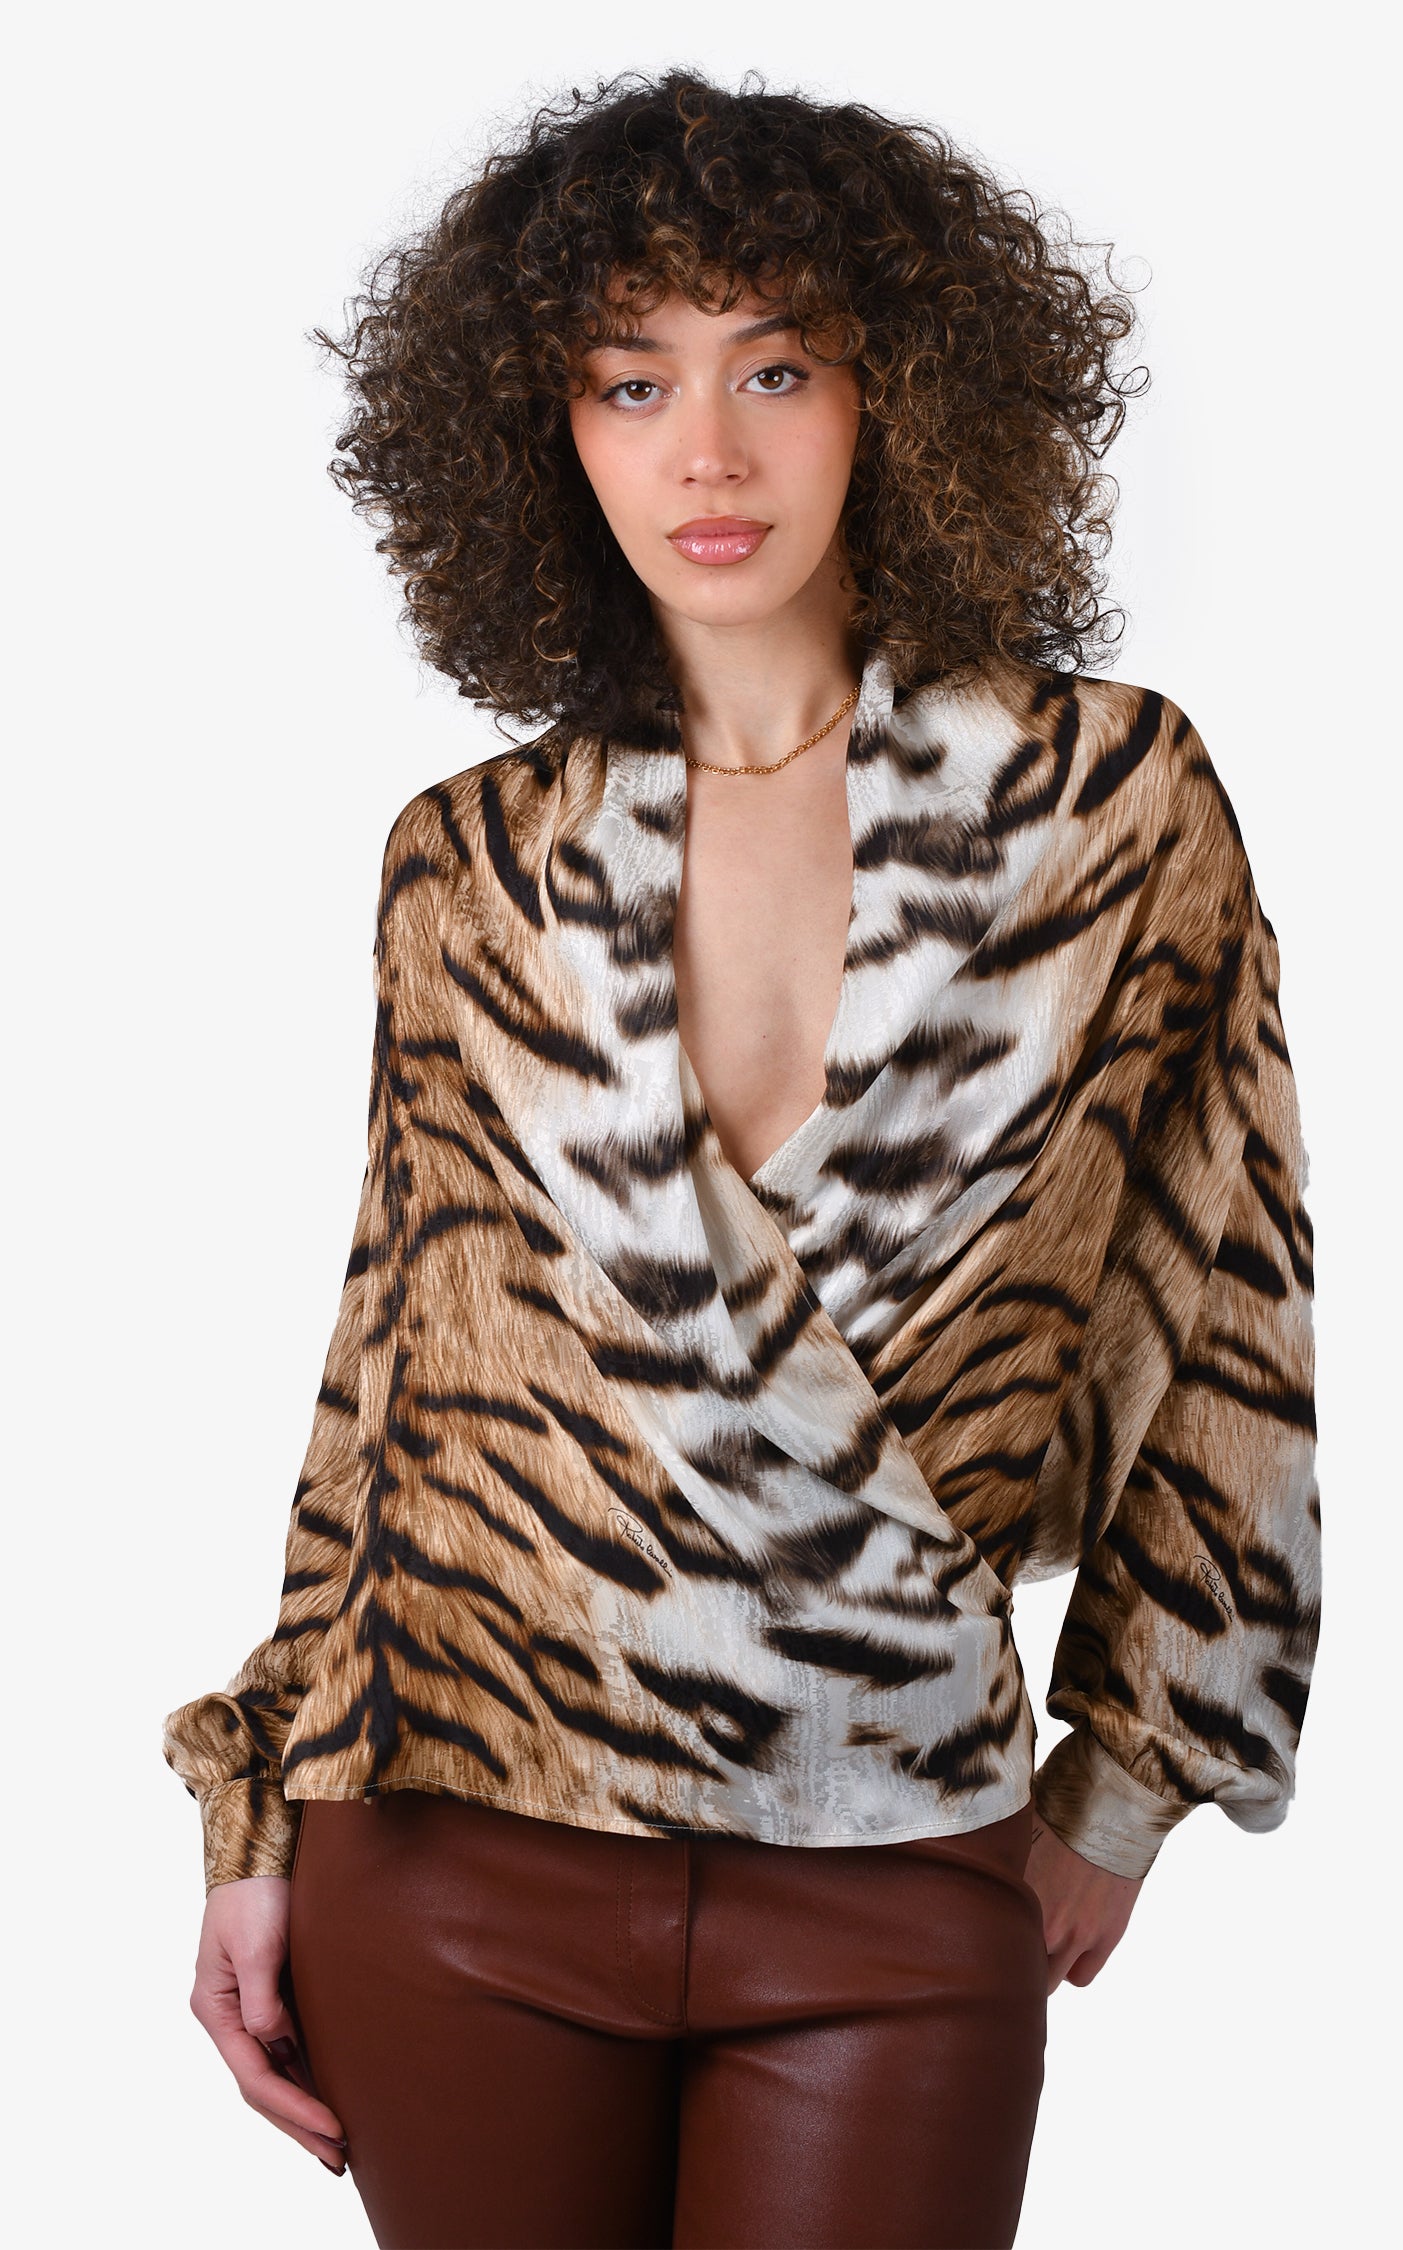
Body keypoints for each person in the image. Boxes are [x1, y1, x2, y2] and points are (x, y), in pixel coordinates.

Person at [161, 65, 1321, 2250]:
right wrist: (258, 1815)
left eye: (775, 368)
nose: (707, 452)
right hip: (461, 1847)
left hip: (895, 1860)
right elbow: (387, 1373)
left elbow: (1230, 1297)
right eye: (633, 383)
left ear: (899, 389)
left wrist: (1134, 1774)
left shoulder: (1112, 807)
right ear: (546, 431)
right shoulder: (468, 866)